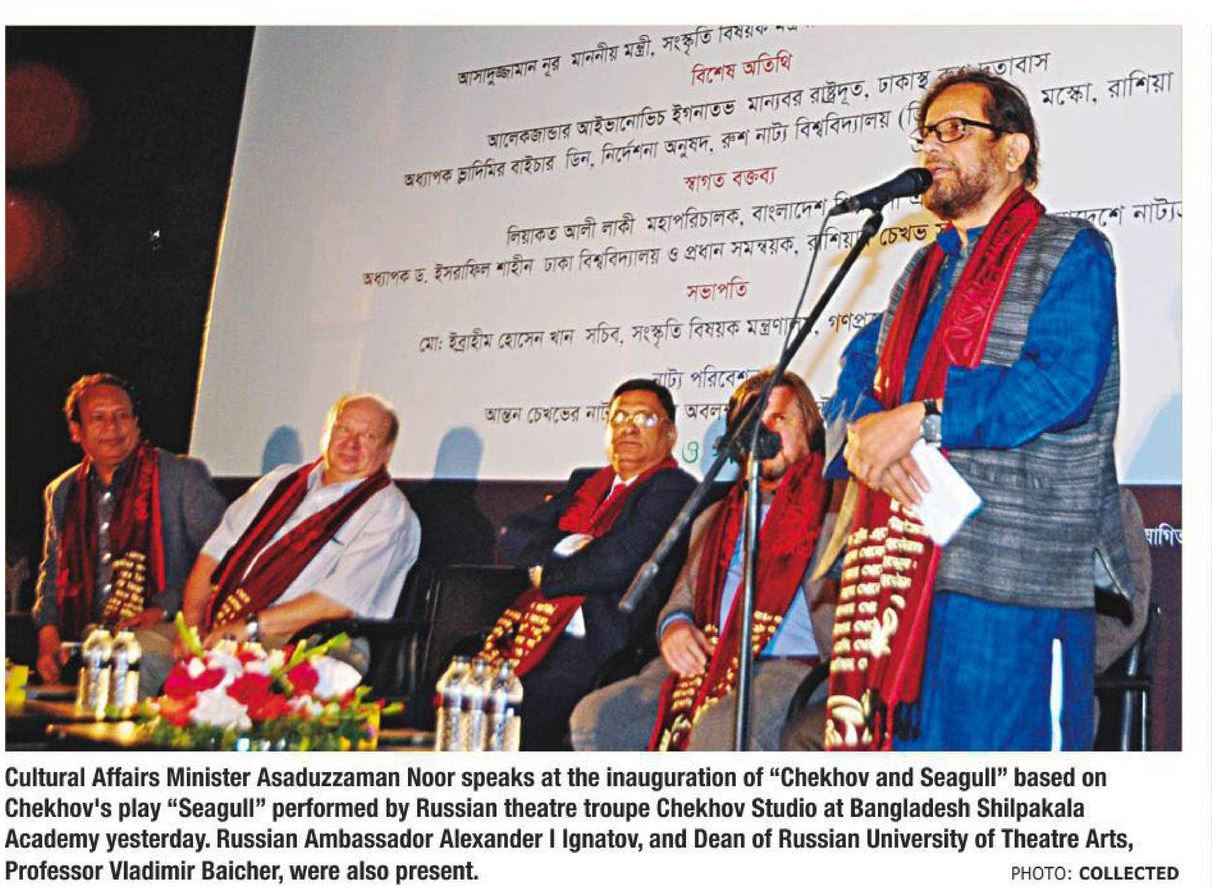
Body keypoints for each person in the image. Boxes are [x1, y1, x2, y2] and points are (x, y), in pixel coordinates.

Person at [821, 69, 1138, 751]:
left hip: (1011, 576)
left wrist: (922, 418)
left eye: (954, 130)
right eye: (925, 134)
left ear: (1013, 150)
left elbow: (1060, 384)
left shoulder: (1070, 250)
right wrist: (863, 437)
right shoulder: (922, 270)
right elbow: (862, 371)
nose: (931, 147)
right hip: (901, 573)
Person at [570, 369, 832, 751]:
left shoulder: (836, 507)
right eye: (751, 423)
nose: (764, 432)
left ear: (808, 428)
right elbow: (680, 601)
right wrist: (674, 627)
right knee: (595, 718)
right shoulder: (713, 517)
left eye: (779, 418)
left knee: (718, 730)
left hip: (790, 663)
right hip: (707, 660)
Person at [481, 379, 696, 750]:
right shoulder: (586, 483)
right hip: (539, 628)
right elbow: (512, 535)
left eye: (645, 418)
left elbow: (618, 561)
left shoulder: (672, 488)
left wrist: (547, 572)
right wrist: (571, 543)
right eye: (619, 418)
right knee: (457, 690)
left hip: (601, 643)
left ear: (671, 434)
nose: (628, 428)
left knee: (523, 706)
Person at [180, 393, 419, 670]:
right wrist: (191, 627)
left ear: (387, 451)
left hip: (308, 641)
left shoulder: (388, 511)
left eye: (368, 436)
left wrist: (251, 627)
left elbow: (339, 603)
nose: (351, 444)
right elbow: (215, 552)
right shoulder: (280, 480)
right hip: (221, 624)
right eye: (343, 429)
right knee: (141, 654)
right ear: (326, 433)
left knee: (218, 678)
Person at [33, 373, 226, 696]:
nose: (112, 427)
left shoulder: (180, 477)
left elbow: (224, 559)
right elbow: (52, 571)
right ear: (76, 430)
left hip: (164, 633)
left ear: (136, 424)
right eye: (98, 418)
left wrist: (165, 609)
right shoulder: (63, 491)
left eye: (122, 416)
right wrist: (47, 634)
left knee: (130, 665)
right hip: (86, 640)